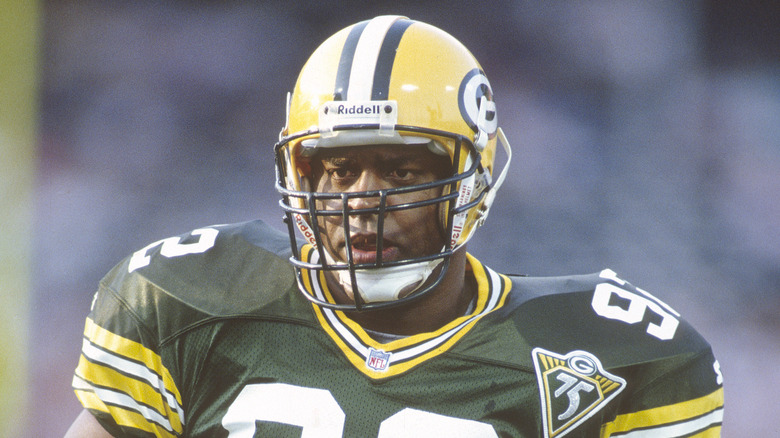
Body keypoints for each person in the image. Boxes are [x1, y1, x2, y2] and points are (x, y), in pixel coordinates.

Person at [65, 15, 724, 438]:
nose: (362, 199)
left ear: (475, 177)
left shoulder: (613, 355)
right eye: (336, 167)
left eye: (403, 171)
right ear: (296, 173)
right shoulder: (191, 300)